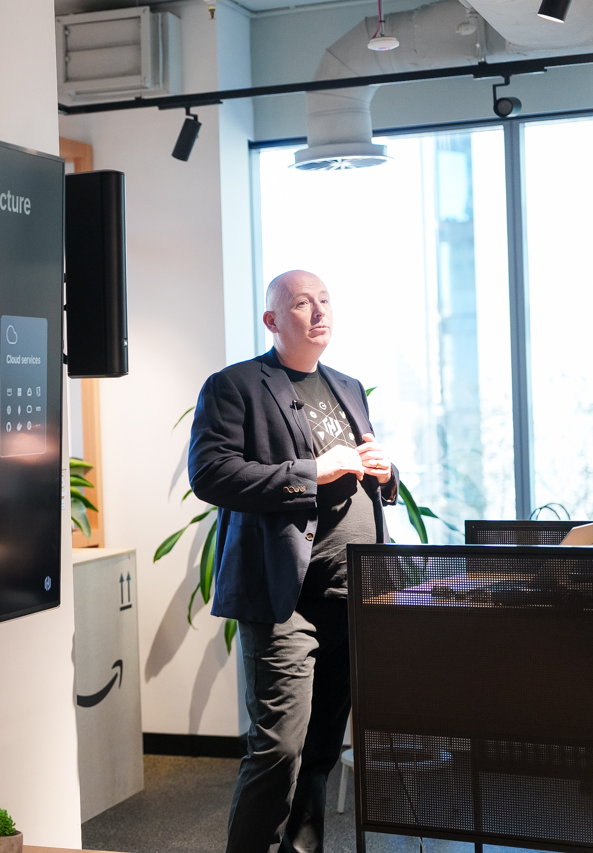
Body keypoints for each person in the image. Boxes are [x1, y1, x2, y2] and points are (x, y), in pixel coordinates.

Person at [187, 270, 399, 853]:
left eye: (325, 300)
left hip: (350, 596)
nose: (319, 312)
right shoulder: (235, 386)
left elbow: (365, 476)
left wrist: (387, 475)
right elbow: (210, 474)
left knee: (322, 750)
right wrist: (312, 472)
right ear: (272, 320)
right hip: (286, 598)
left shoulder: (347, 386)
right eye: (303, 303)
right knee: (279, 748)